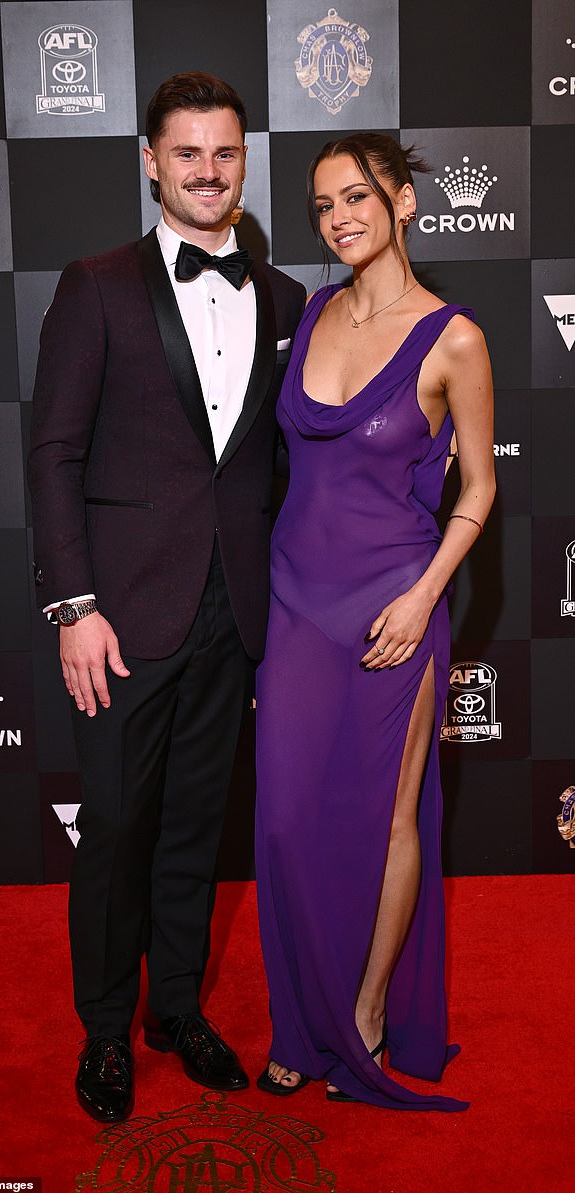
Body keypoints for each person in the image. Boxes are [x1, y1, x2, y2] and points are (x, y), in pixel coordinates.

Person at [27, 71, 305, 1123]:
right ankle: (104, 1030)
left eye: (224, 152)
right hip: (120, 617)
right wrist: (73, 606)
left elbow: (280, 463)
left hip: (235, 610)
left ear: (244, 159)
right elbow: (52, 451)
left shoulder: (281, 298)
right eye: (184, 152)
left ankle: (175, 1008)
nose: (206, 170)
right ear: (150, 159)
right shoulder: (95, 283)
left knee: (196, 824)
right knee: (116, 831)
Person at [254, 133, 495, 1110]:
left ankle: (359, 1015)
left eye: (357, 196)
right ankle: (297, 1017)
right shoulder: (311, 314)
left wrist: (423, 593)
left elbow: (477, 486)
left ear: (402, 203)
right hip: (295, 598)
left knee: (392, 818)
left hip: (395, 603)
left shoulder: (454, 338)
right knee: (283, 817)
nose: (339, 216)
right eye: (321, 205)